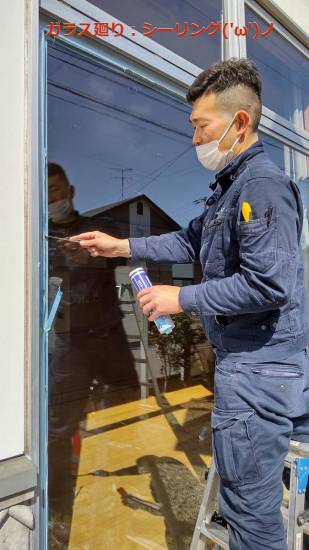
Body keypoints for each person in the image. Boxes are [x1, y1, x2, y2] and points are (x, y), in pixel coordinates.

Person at [69, 59, 309, 550]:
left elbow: (268, 285)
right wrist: (122, 246)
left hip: (259, 369)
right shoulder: (229, 192)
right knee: (262, 499)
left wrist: (181, 297)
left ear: (239, 123)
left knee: (250, 515)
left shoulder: (260, 186)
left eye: (202, 126)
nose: (196, 139)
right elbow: (187, 244)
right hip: (268, 367)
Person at [47, 163, 137, 540]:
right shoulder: (37, 234)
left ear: (72, 191)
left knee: (129, 411)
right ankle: (60, 508)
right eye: (45, 192)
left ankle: (126, 494)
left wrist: (92, 256)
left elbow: (127, 255)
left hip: (110, 338)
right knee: (58, 430)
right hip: (69, 344)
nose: (52, 198)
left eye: (56, 189)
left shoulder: (98, 230)